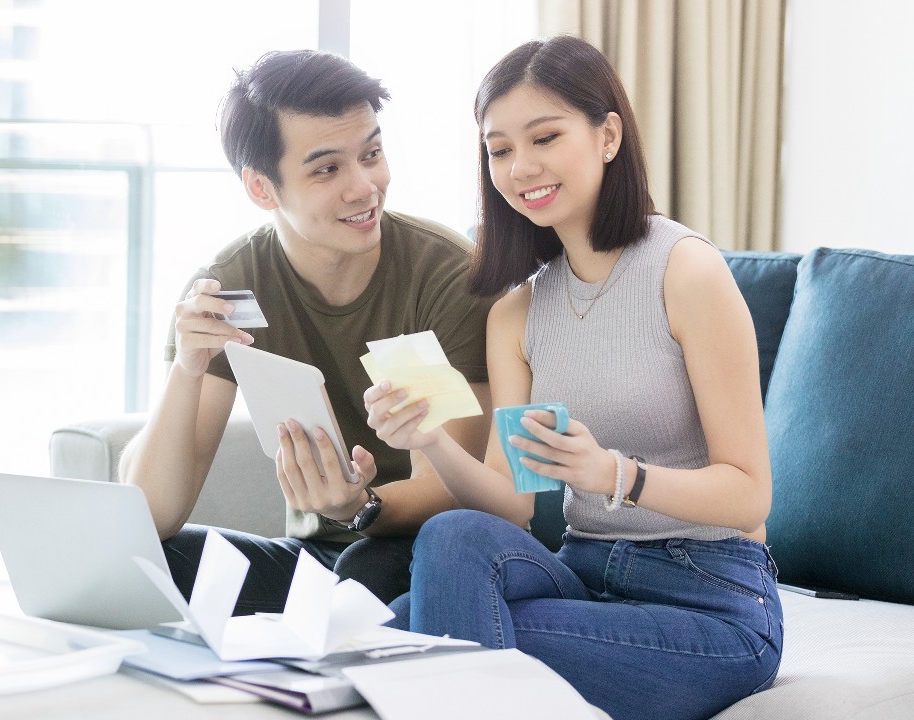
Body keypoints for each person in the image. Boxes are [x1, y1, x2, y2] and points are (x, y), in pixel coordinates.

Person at [363, 35, 782, 720]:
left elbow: (750, 494)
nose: (521, 166)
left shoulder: (686, 272)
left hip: (712, 602)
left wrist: (614, 474)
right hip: (583, 577)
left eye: (545, 137)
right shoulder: (517, 314)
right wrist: (433, 439)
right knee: (451, 539)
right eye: (499, 150)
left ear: (608, 134)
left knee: (421, 627)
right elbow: (513, 505)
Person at [118, 49, 494, 614]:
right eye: (327, 169)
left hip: (428, 552)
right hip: (315, 561)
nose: (364, 187)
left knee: (370, 567)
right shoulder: (230, 289)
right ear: (261, 188)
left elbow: (454, 492)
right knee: (141, 563)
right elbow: (151, 515)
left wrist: (359, 507)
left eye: (371, 154)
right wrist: (186, 369)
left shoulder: (444, 276)